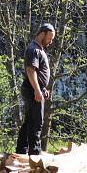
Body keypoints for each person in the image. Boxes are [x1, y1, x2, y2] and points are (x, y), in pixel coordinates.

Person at [15, 23, 55, 155]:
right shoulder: (34, 49)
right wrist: (37, 90)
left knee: (30, 121)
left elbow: (38, 74)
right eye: (50, 38)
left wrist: (42, 89)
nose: (51, 42)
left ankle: (22, 150)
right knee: (36, 122)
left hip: (35, 89)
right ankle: (35, 153)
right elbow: (30, 70)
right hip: (32, 90)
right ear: (42, 34)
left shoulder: (39, 49)